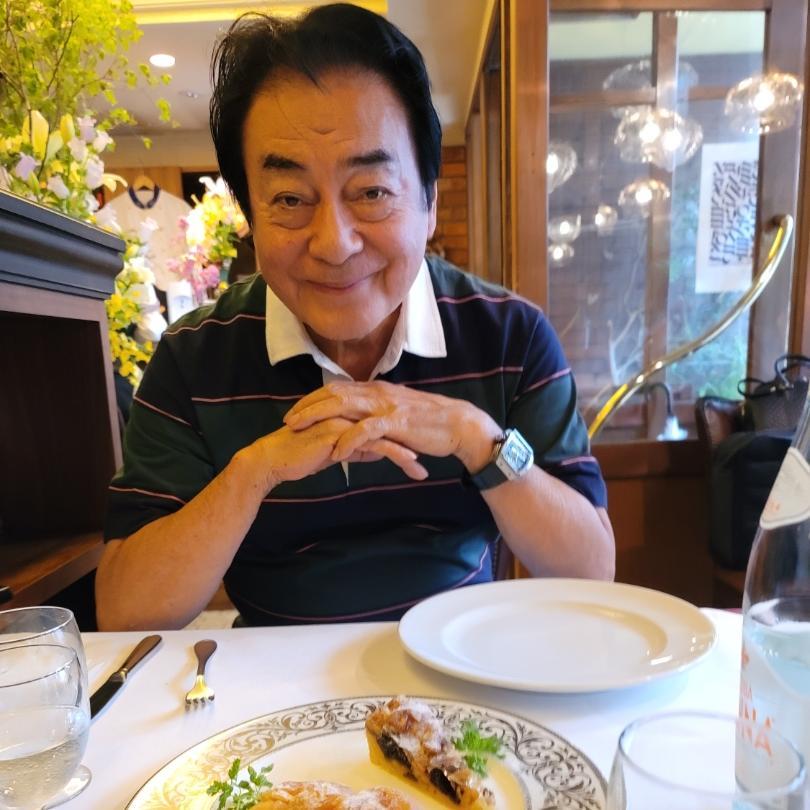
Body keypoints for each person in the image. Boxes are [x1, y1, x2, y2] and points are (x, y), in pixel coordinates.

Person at [96, 3, 614, 630]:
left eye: (371, 192)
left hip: (461, 669)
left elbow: (591, 569)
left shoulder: (509, 335)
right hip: (272, 683)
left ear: (428, 201)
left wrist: (479, 441)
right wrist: (254, 473)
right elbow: (126, 612)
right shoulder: (193, 357)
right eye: (290, 199)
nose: (334, 243)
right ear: (250, 217)